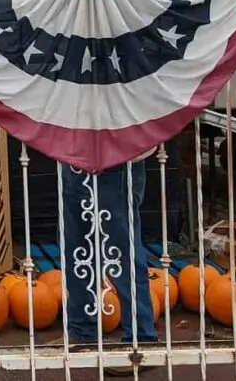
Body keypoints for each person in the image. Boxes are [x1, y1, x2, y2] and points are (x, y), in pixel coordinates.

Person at [61, 148, 157, 376]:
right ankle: (81, 330)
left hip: (118, 153)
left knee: (121, 249)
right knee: (77, 246)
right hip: (75, 151)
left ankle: (140, 340)